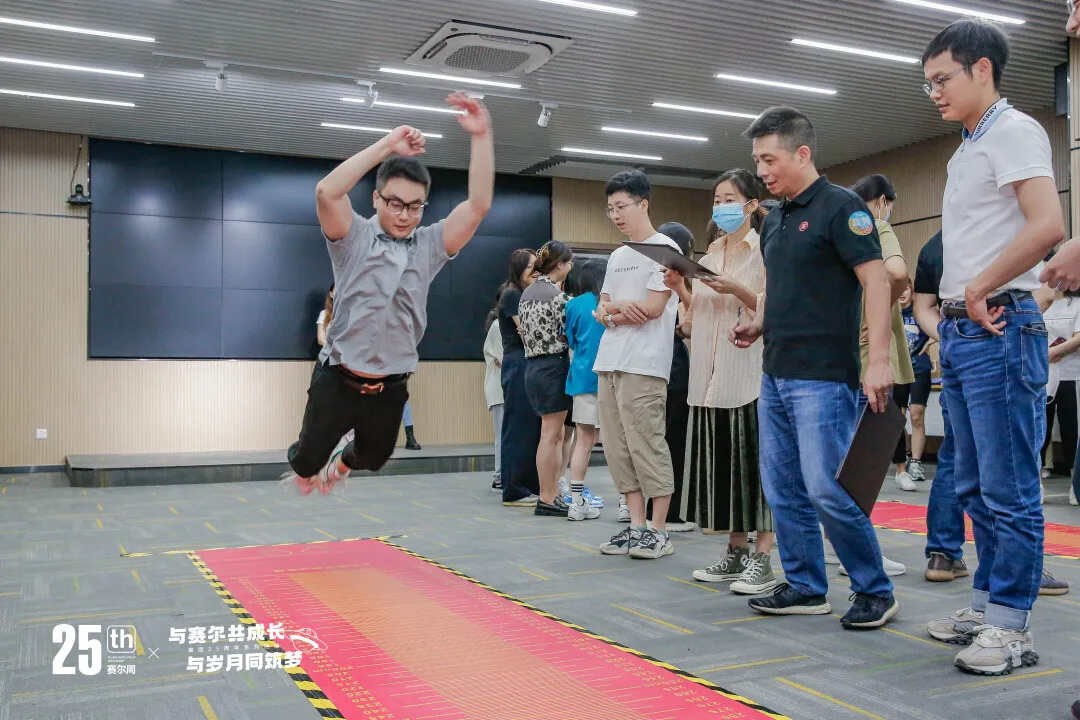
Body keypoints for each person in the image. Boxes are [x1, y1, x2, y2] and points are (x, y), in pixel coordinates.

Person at [921, 20, 1065, 675]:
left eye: (942, 79)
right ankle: (987, 606)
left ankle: (1012, 626)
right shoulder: (968, 147)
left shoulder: (1013, 130)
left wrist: (981, 286)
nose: (935, 93)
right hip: (963, 328)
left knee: (1009, 487)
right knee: (974, 484)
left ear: (982, 69)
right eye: (928, 84)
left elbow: (1049, 225)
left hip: (999, 322)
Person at [730, 106, 899, 629]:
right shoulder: (776, 217)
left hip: (824, 377)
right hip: (776, 370)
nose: (761, 171)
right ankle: (806, 585)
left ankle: (874, 588)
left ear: (802, 153)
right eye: (757, 160)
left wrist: (878, 360)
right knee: (783, 488)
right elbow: (784, 287)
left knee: (828, 488)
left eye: (769, 159)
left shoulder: (842, 207)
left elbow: (877, 281)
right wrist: (760, 323)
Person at [281, 93, 493, 495]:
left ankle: (343, 462)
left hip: (390, 383)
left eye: (415, 206)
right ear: (376, 198)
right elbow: (327, 192)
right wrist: (387, 145)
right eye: (395, 203)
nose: (404, 215)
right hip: (338, 377)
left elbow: (478, 206)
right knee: (305, 462)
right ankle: (313, 462)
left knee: (375, 457)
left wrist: (481, 137)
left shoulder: (430, 246)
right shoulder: (353, 237)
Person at [664, 171, 777, 594]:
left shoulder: (765, 249)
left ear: (751, 204)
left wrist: (737, 288)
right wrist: (681, 289)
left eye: (729, 199)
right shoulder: (710, 254)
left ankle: (763, 557)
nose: (721, 207)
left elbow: (771, 307)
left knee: (757, 472)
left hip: (748, 374)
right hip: (708, 378)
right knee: (728, 473)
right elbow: (697, 319)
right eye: (716, 200)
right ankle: (736, 551)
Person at [594, 169, 680, 560]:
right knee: (616, 447)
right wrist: (615, 309)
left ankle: (659, 530)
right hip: (609, 359)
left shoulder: (665, 248)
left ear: (643, 204)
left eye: (621, 206)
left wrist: (616, 310)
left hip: (644, 363)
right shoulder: (617, 255)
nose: (615, 215)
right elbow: (602, 308)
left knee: (646, 443)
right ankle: (636, 526)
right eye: (611, 209)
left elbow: (652, 308)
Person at [912, 231, 969, 583]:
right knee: (1012, 457)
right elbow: (1047, 291)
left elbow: (923, 307)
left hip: (956, 352)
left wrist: (951, 337)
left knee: (954, 454)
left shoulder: (936, 243)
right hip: (996, 349)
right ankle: (1022, 563)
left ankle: (943, 554)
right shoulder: (1010, 224)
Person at [519, 241, 576, 517]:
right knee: (552, 435)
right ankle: (548, 497)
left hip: (533, 367)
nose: (571, 267)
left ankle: (549, 494)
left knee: (552, 434)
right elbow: (570, 332)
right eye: (569, 262)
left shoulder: (527, 293)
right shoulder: (557, 297)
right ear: (560, 264)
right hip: (553, 366)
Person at [650, 221, 696, 535]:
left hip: (650, 364)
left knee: (654, 440)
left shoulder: (649, 275)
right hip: (672, 365)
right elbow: (692, 321)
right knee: (673, 439)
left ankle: (649, 509)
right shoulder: (673, 281)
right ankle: (672, 512)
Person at [564, 258, 607, 521]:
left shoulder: (573, 304)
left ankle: (576, 502)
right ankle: (626, 504)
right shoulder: (613, 302)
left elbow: (570, 340)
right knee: (617, 444)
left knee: (582, 441)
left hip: (582, 378)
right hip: (612, 377)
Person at [498, 249, 542, 506]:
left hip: (529, 362)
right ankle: (514, 490)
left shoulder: (527, 295)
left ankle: (529, 486)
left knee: (532, 428)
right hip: (518, 363)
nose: (536, 272)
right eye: (530, 268)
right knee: (517, 428)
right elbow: (527, 331)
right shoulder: (512, 294)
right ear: (519, 270)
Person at [900, 279, 934, 487]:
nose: (902, 293)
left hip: (919, 368)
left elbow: (941, 320)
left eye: (907, 288)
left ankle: (916, 461)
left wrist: (932, 339)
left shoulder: (919, 312)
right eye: (899, 288)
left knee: (916, 414)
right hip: (898, 371)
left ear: (912, 292)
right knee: (898, 417)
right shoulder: (891, 313)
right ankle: (902, 456)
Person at [483, 301, 504, 492]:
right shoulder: (498, 326)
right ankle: (499, 477)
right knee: (502, 436)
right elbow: (503, 359)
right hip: (499, 390)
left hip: (505, 390)